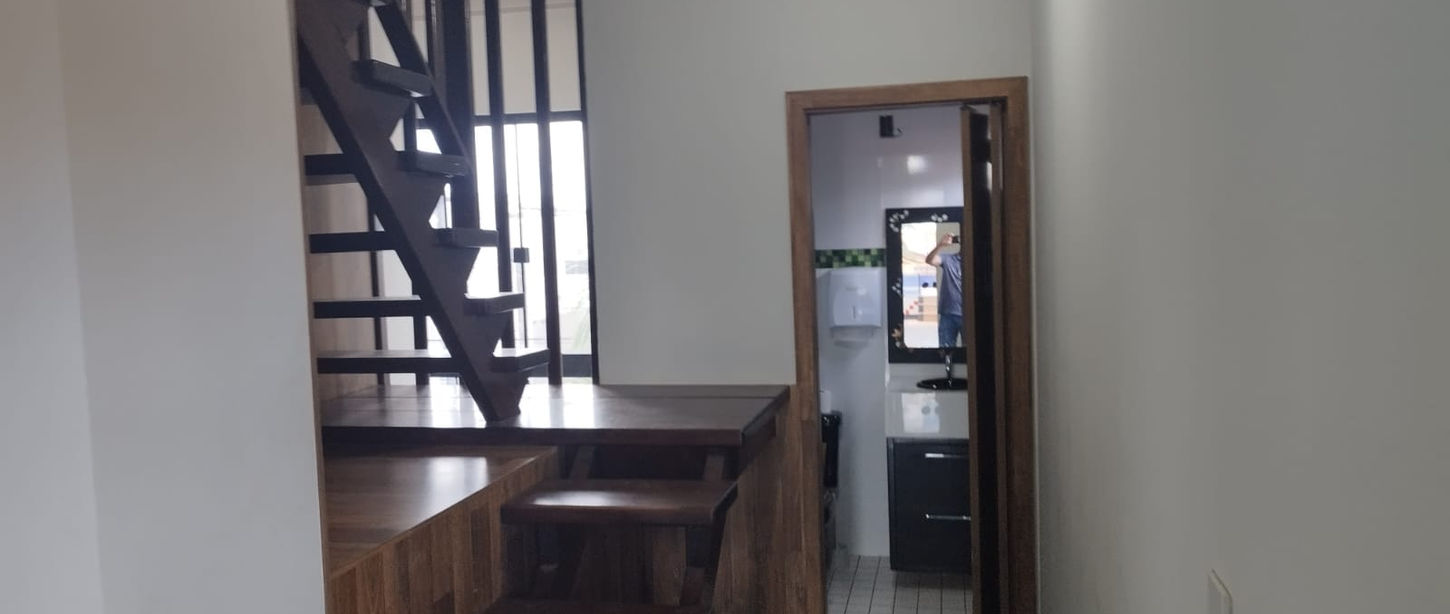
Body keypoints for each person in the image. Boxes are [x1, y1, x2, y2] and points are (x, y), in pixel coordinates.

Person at [924, 232, 963, 347]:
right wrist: (940, 245)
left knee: (971, 351)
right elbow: (929, 260)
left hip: (969, 314)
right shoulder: (949, 259)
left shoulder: (975, 262)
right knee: (945, 350)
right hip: (948, 314)